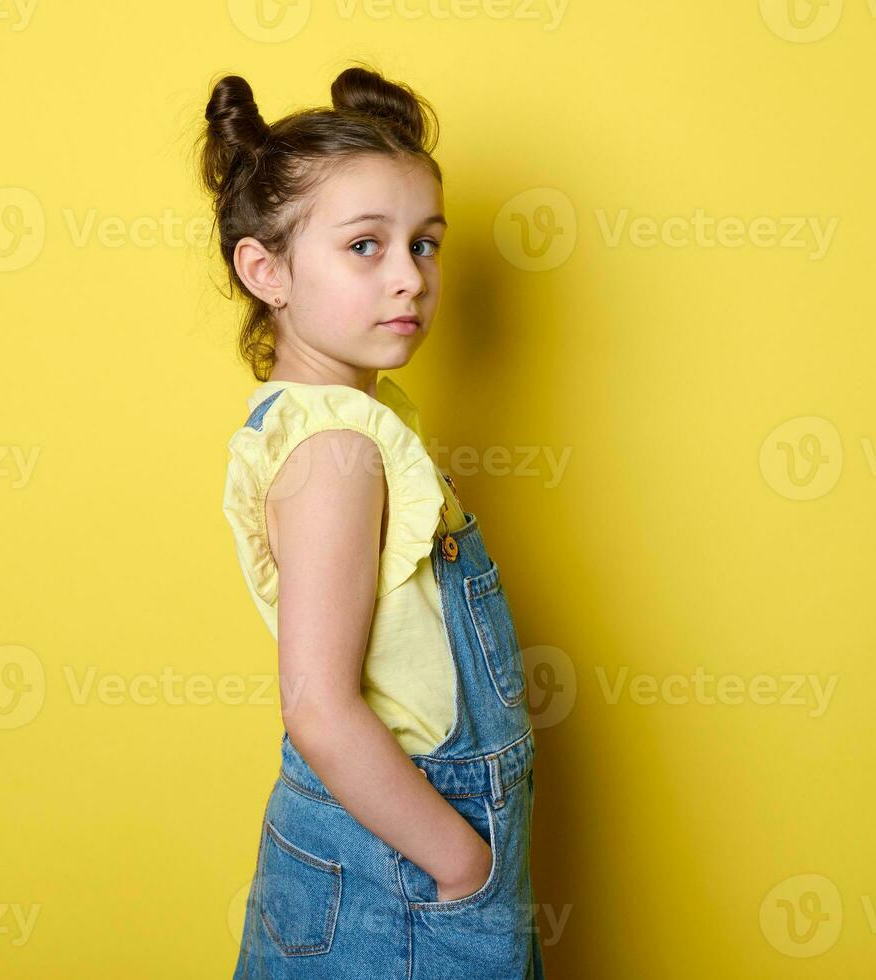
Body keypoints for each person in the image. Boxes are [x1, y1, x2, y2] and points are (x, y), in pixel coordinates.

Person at [197, 62, 543, 978]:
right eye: (364, 246)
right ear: (265, 269)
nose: (409, 279)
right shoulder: (337, 451)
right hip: (399, 857)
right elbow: (317, 705)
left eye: (424, 244)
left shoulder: (344, 420)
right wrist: (462, 859)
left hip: (379, 844)